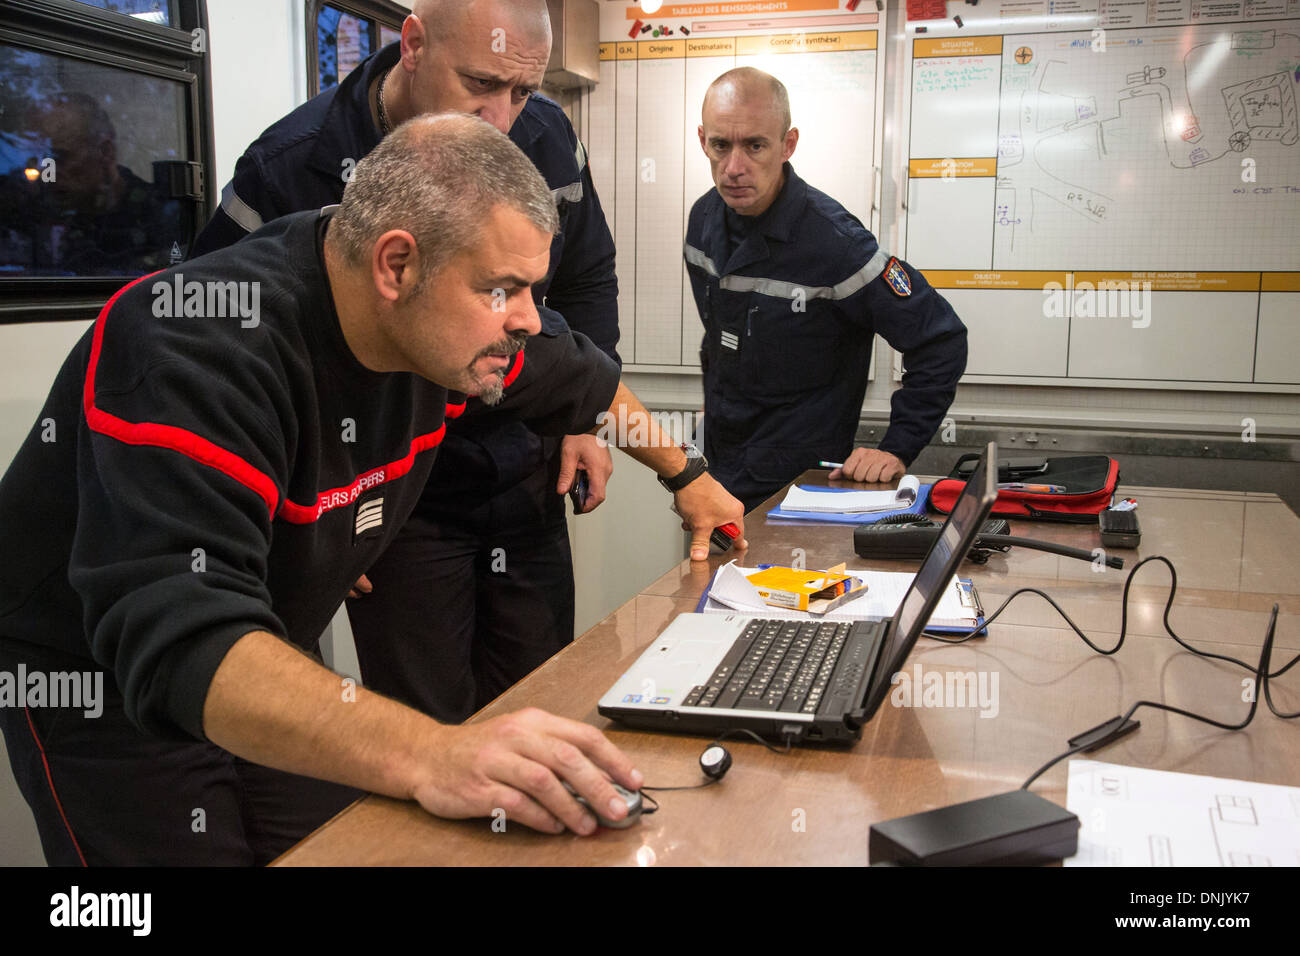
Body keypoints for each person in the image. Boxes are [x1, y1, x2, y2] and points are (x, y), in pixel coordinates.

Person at [0, 115, 741, 866]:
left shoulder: (452, 332)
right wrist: (441, 754)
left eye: (532, 289)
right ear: (396, 265)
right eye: (504, 289)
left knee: (361, 847)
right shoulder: (190, 346)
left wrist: (691, 476)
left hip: (261, 643)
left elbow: (584, 382)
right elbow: (184, 637)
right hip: (109, 683)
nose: (525, 318)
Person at [191, 0, 626, 723]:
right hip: (393, 500)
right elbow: (217, 344)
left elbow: (587, 278)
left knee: (545, 705)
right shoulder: (293, 163)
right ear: (414, 45)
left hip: (522, 468)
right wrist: (306, 509)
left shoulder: (546, 137)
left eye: (522, 91)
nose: (502, 119)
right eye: (482, 84)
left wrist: (582, 417)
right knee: (429, 733)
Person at [685, 68, 968, 513]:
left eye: (755, 145)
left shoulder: (835, 244)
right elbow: (720, 341)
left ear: (788, 144)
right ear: (703, 140)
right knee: (701, 586)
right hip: (717, 476)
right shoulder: (703, 220)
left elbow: (940, 339)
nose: (734, 167)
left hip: (802, 491)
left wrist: (897, 446)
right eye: (721, 145)